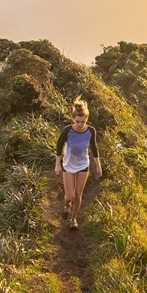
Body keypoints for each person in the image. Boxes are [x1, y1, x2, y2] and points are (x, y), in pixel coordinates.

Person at [54, 95, 102, 229]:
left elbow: (94, 148)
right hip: (68, 165)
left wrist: (98, 166)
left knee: (77, 194)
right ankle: (66, 205)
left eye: (83, 121)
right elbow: (59, 146)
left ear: (86, 119)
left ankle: (73, 219)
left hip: (83, 165)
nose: (80, 124)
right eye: (78, 121)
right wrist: (57, 164)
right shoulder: (67, 130)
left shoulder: (91, 131)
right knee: (69, 195)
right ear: (73, 119)